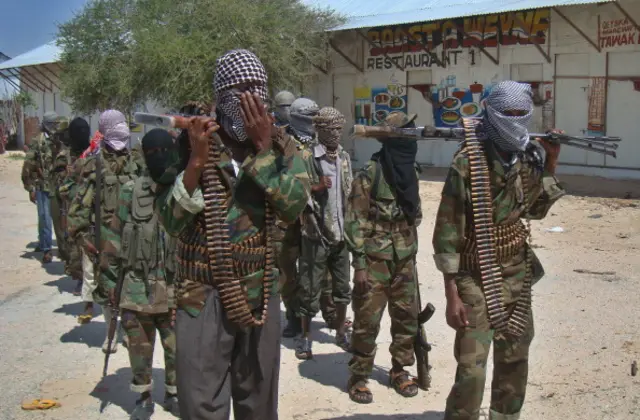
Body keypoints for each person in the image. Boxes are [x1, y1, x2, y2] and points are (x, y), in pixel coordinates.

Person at [155, 49, 310, 420]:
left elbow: (293, 207)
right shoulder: (195, 140)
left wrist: (262, 150)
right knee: (201, 403)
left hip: (261, 291)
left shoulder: (284, 147)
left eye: (259, 88)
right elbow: (170, 221)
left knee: (258, 400)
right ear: (221, 94)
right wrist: (196, 160)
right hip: (202, 291)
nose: (251, 98)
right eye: (240, 89)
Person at [432, 81, 565, 420]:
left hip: (517, 275)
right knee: (472, 369)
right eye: (508, 114)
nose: (516, 120)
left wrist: (551, 162)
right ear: (492, 113)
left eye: (522, 114)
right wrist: (452, 295)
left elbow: (534, 210)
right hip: (476, 276)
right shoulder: (468, 162)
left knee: (515, 361)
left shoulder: (528, 155)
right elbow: (448, 233)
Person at [344, 111, 423, 404]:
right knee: (367, 319)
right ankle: (359, 376)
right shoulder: (369, 173)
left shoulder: (411, 171)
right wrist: (360, 266)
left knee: (406, 317)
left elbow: (416, 215)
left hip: (404, 257)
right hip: (375, 258)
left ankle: (400, 370)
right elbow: (354, 220)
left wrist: (409, 248)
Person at [101, 128, 180, 419]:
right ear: (144, 156)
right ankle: (144, 396)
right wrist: (108, 281)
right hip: (136, 287)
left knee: (178, 349)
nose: (158, 157)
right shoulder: (129, 192)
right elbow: (112, 236)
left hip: (174, 289)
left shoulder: (182, 189)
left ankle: (174, 393)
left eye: (164, 151)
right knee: (139, 349)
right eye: (152, 153)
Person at [68, 110, 145, 351]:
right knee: (107, 286)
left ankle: (126, 329)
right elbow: (79, 204)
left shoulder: (137, 162)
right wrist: (82, 238)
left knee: (132, 284)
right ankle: (111, 330)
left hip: (135, 237)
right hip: (105, 238)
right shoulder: (94, 164)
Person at [295, 106, 352, 360]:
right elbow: (295, 191)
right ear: (319, 129)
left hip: (341, 234)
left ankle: (340, 332)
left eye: (339, 128)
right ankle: (305, 338)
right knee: (309, 289)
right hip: (316, 233)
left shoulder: (344, 157)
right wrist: (315, 187)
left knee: (342, 288)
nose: (336, 133)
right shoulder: (307, 156)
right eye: (331, 129)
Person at [56, 117, 91, 295]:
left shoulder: (94, 152)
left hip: (91, 205)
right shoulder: (65, 156)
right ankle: (79, 278)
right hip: (72, 207)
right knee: (74, 244)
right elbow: (59, 184)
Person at [21, 112, 63, 263]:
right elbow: (28, 166)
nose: (55, 128)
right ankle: (46, 249)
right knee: (45, 218)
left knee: (60, 218)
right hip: (43, 186)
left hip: (59, 186)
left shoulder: (60, 140)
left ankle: (60, 247)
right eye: (52, 125)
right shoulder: (37, 142)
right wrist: (30, 188)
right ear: (46, 126)